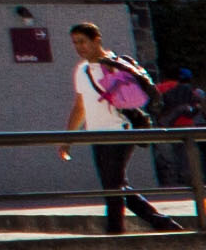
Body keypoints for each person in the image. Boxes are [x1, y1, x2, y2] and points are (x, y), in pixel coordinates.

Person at [63, 19, 160, 229]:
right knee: (116, 186)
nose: (79, 47)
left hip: (119, 132)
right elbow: (80, 107)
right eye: (75, 43)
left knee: (112, 188)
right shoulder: (82, 71)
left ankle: (115, 232)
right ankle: (163, 223)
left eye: (82, 41)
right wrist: (67, 139)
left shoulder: (115, 66)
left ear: (96, 40)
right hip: (96, 135)